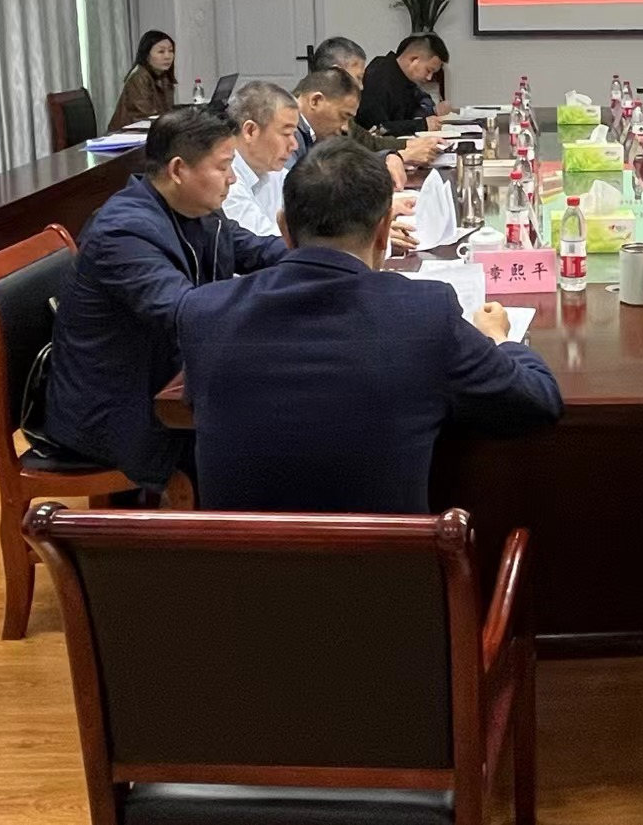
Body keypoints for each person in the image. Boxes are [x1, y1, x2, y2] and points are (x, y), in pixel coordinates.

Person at [177, 137, 565, 513]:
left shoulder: (204, 313)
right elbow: (537, 402)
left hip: (241, 560)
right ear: (384, 231)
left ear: (284, 228)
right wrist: (499, 338)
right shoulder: (424, 313)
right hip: (385, 560)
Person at [44, 106, 288, 490]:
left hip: (163, 382)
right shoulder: (123, 233)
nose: (232, 178)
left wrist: (324, 256)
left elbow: (257, 249)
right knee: (266, 438)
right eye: (224, 166)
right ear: (178, 170)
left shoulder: (197, 210)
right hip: (119, 412)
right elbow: (184, 312)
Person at [292, 67, 420, 251]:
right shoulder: (290, 134)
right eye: (343, 116)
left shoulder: (315, 131)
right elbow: (305, 204)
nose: (345, 127)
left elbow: (342, 163)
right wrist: (362, 233)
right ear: (316, 101)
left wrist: (388, 155)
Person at [303, 35, 443, 183]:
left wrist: (408, 145)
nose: (361, 87)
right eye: (358, 78)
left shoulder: (335, 111)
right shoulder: (296, 121)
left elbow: (368, 142)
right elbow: (330, 171)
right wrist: (401, 156)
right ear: (337, 73)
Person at [222, 81, 299, 238]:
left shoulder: (275, 172)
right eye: (286, 134)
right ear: (250, 131)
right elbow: (265, 242)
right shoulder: (226, 181)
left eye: (294, 134)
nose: (294, 145)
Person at [357, 33, 453, 135]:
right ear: (413, 60)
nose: (429, 77)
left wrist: (430, 113)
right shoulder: (379, 76)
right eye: (428, 70)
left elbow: (418, 108)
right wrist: (422, 125)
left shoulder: (407, 79)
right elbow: (377, 128)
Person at [108, 30, 176, 130]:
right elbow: (146, 116)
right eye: (161, 51)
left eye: (171, 51)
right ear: (146, 55)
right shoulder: (139, 77)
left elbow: (166, 112)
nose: (168, 56)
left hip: (151, 131)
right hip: (128, 134)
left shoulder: (163, 76)